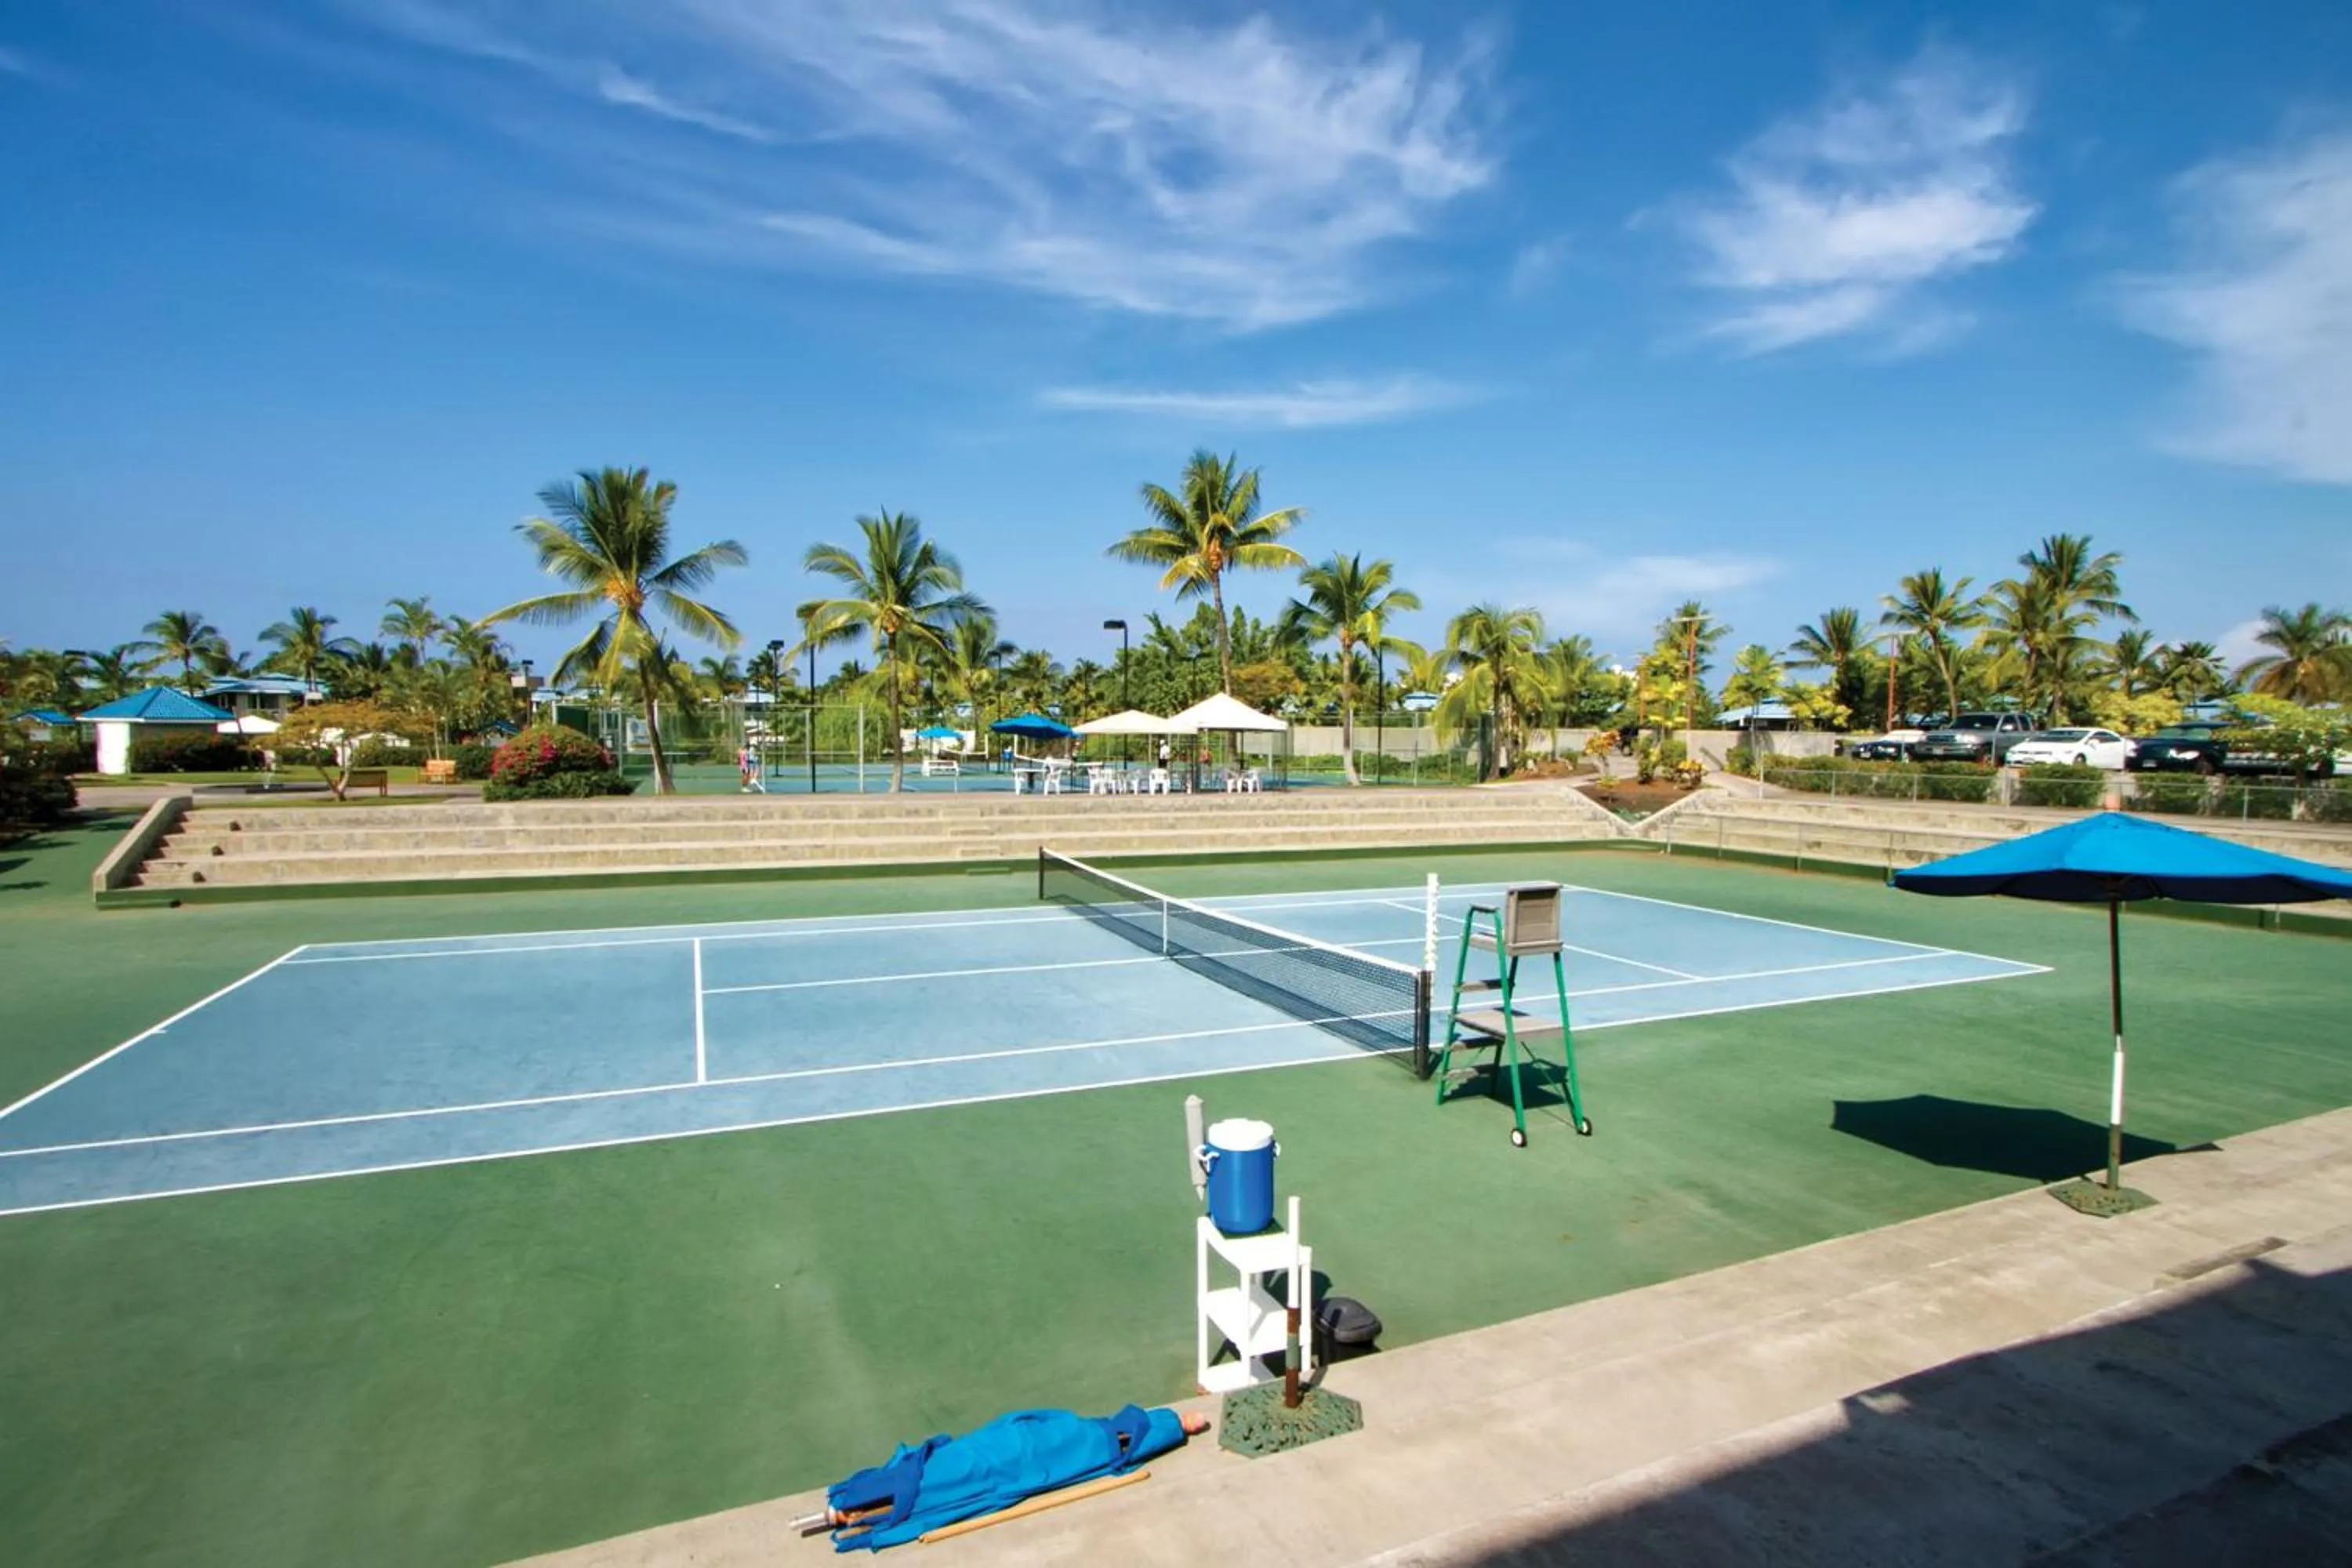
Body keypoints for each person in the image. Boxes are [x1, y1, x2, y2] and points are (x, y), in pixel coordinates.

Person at [819, 1406, 1209, 1550]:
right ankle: (856, 1507)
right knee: (958, 1471)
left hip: (1033, 1452)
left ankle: (1174, 1424)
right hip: (999, 1456)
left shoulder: (1111, 1439)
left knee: (1071, 1441)